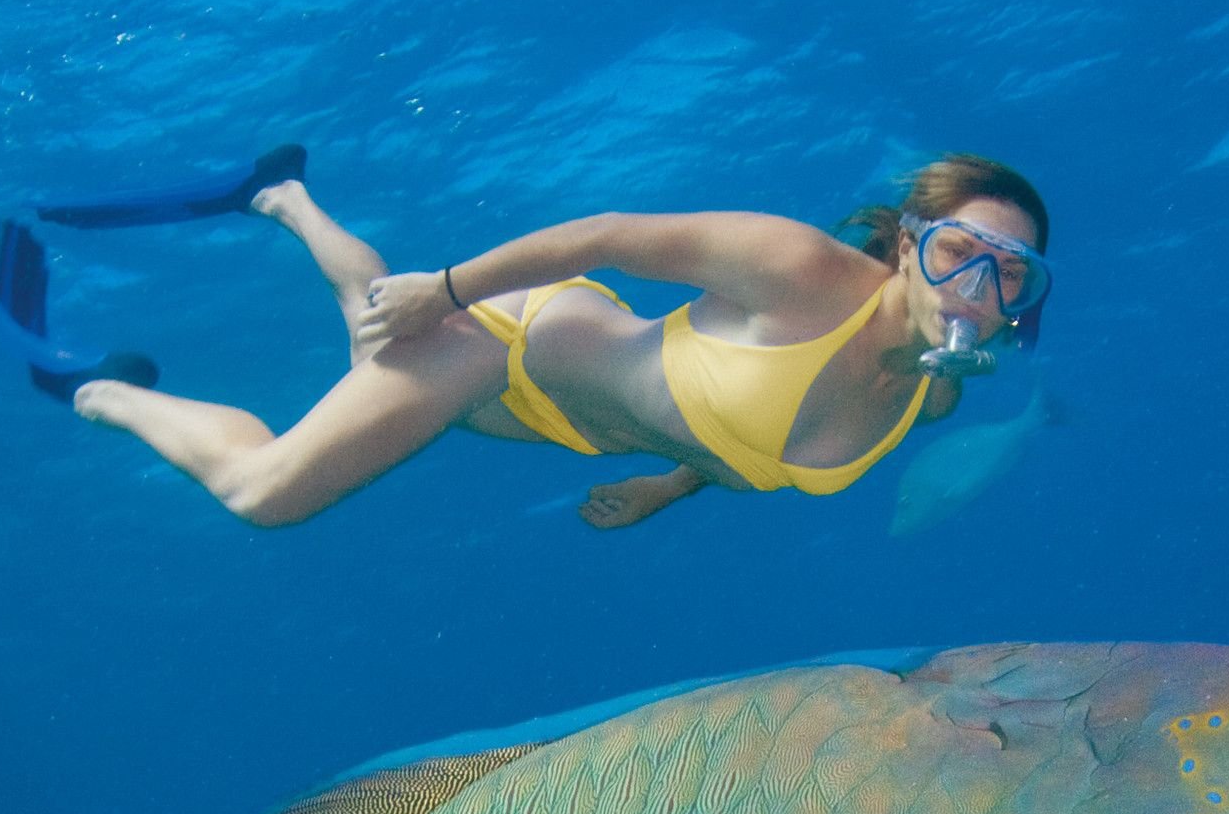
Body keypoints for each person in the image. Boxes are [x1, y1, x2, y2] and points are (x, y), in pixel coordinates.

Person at [51, 153, 1049, 532]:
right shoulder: (800, 269)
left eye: (1011, 272)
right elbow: (603, 235)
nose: (978, 285)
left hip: (537, 423)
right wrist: (447, 290)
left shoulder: (935, 396)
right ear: (908, 244)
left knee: (373, 328)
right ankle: (101, 392)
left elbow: (743, 433)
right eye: (960, 248)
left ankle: (282, 193)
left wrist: (665, 489)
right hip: (508, 344)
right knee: (265, 494)